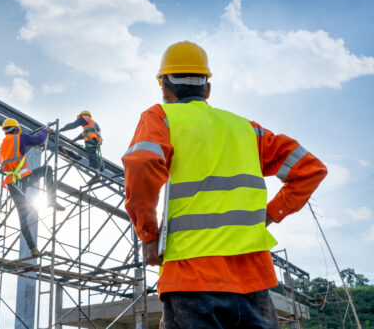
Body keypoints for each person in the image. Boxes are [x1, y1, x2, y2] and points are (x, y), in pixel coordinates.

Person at [121, 41, 328, 328]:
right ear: (207, 89)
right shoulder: (247, 129)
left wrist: (147, 235)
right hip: (253, 279)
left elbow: (142, 163)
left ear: (164, 88)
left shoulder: (160, 118)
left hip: (189, 276)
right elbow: (311, 168)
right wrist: (269, 214)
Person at [0, 118, 65, 256]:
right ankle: (51, 199)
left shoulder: (3, 146)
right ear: (16, 129)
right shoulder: (20, 137)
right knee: (47, 169)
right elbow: (40, 140)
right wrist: (45, 131)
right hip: (22, 177)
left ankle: (33, 249)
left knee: (22, 217)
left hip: (12, 182)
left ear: (5, 131)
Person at [61, 111, 103, 179]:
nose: (79, 119)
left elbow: (72, 125)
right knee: (90, 153)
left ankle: (97, 173)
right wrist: (74, 140)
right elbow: (83, 134)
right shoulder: (93, 123)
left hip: (90, 139)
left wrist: (61, 130)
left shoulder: (83, 118)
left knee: (92, 154)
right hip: (95, 140)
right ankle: (94, 167)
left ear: (82, 115)